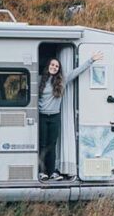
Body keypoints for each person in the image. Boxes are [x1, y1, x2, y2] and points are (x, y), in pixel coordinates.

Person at [38, 51, 104, 181]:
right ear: (48, 66)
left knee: (52, 145)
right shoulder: (40, 79)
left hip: (55, 117)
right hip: (42, 117)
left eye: (57, 66)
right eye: (52, 65)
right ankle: (42, 172)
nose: (54, 67)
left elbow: (77, 71)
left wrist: (91, 60)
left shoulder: (62, 80)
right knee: (42, 144)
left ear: (58, 69)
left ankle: (51, 172)